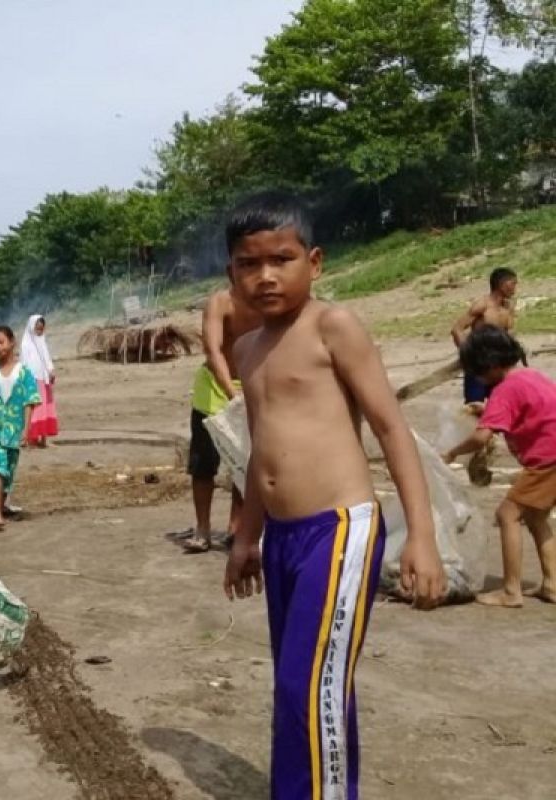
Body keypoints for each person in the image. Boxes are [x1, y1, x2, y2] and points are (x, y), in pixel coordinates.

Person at [220, 192, 445, 800]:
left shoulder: (332, 326)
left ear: (314, 262)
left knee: (308, 687)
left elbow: (392, 428)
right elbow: (262, 450)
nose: (266, 276)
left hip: (339, 531)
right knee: (302, 685)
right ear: (231, 273)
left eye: (282, 259)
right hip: (282, 538)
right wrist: (246, 537)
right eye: (249, 263)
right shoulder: (246, 350)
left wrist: (420, 537)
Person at [442, 326, 556, 608]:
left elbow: (482, 437)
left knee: (507, 515)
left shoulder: (505, 390)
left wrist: (454, 452)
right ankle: (552, 584)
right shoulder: (529, 376)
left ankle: (511, 590)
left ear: (489, 364)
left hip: (547, 459)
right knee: (536, 517)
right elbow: (520, 407)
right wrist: (488, 409)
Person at [184, 283, 263, 553]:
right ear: (234, 272)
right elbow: (213, 350)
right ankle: (202, 528)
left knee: (245, 462)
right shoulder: (220, 302)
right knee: (203, 463)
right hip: (214, 390)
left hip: (253, 385)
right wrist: (231, 392)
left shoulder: (270, 301)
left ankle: (236, 526)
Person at [0, 325, 41, 532]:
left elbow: (29, 402)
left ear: (12, 342)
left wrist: (26, 430)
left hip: (14, 428)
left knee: (8, 473)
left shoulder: (24, 372)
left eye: (1, 342)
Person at [451, 267, 518, 406]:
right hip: (479, 366)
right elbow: (457, 329)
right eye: (513, 284)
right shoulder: (482, 305)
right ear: (502, 284)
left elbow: (509, 334)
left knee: (502, 404)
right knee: (474, 406)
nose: (515, 288)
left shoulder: (508, 307)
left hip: (498, 366)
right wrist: (469, 354)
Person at [20, 315, 59, 448]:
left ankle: (43, 439)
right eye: (37, 328)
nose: (39, 331)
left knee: (46, 409)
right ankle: (32, 439)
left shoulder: (42, 342)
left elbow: (47, 359)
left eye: (41, 329)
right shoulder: (26, 344)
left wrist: (51, 370)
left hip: (45, 379)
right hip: (33, 380)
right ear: (32, 327)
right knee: (35, 409)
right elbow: (24, 364)